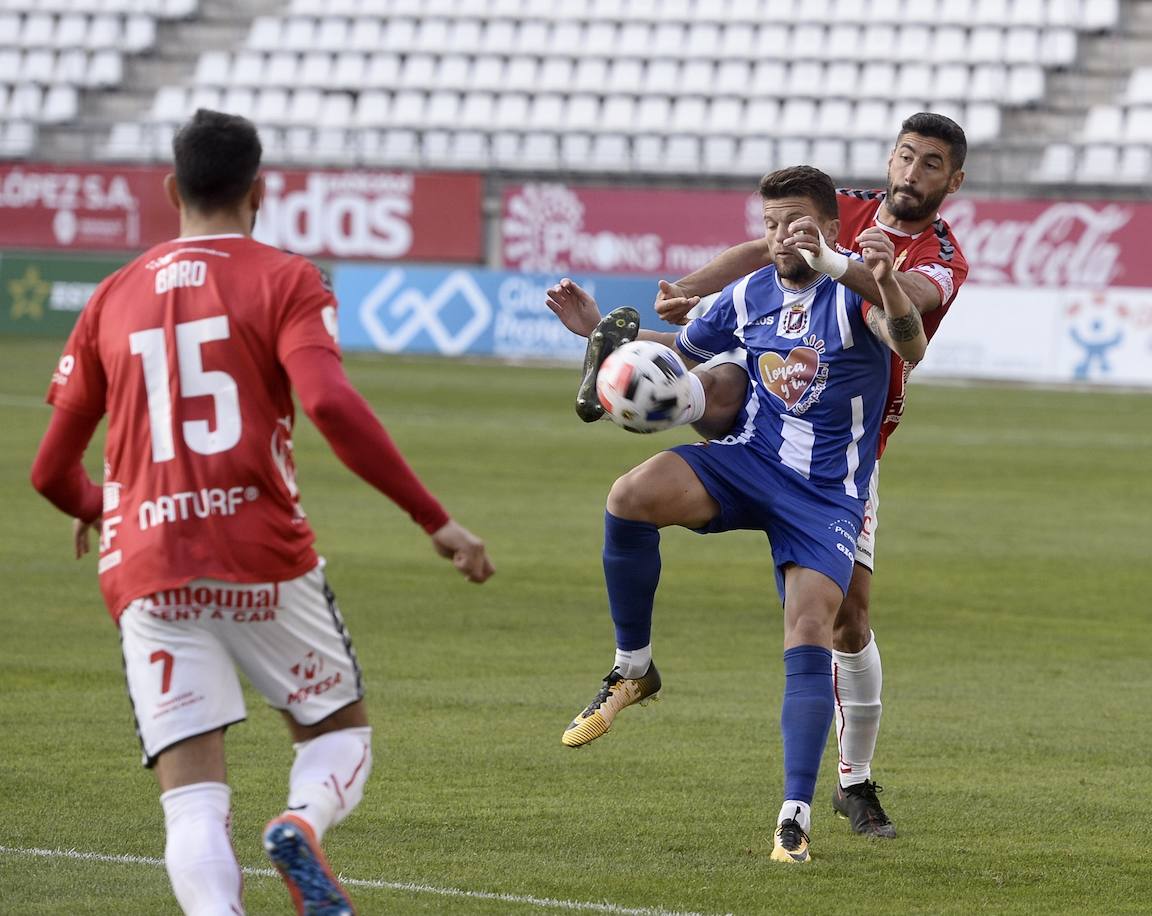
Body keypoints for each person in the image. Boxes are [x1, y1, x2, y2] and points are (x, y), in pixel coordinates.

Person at [30, 109, 494, 916]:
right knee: (338, 735)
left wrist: (103, 504)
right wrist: (434, 520)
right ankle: (301, 824)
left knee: (192, 800)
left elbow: (49, 471)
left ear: (171, 187)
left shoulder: (110, 295)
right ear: (260, 191)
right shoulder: (285, 278)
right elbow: (330, 405)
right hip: (261, 552)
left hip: (145, 561)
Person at [576, 113, 970, 839]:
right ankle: (637, 662)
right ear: (890, 158)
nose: (912, 175)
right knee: (723, 382)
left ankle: (854, 781)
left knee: (849, 622)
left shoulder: (942, 254)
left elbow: (904, 318)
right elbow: (766, 246)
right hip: (768, 426)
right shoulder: (838, 205)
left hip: (851, 449)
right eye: (906, 157)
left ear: (953, 181)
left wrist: (850, 268)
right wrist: (686, 292)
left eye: (931, 165)